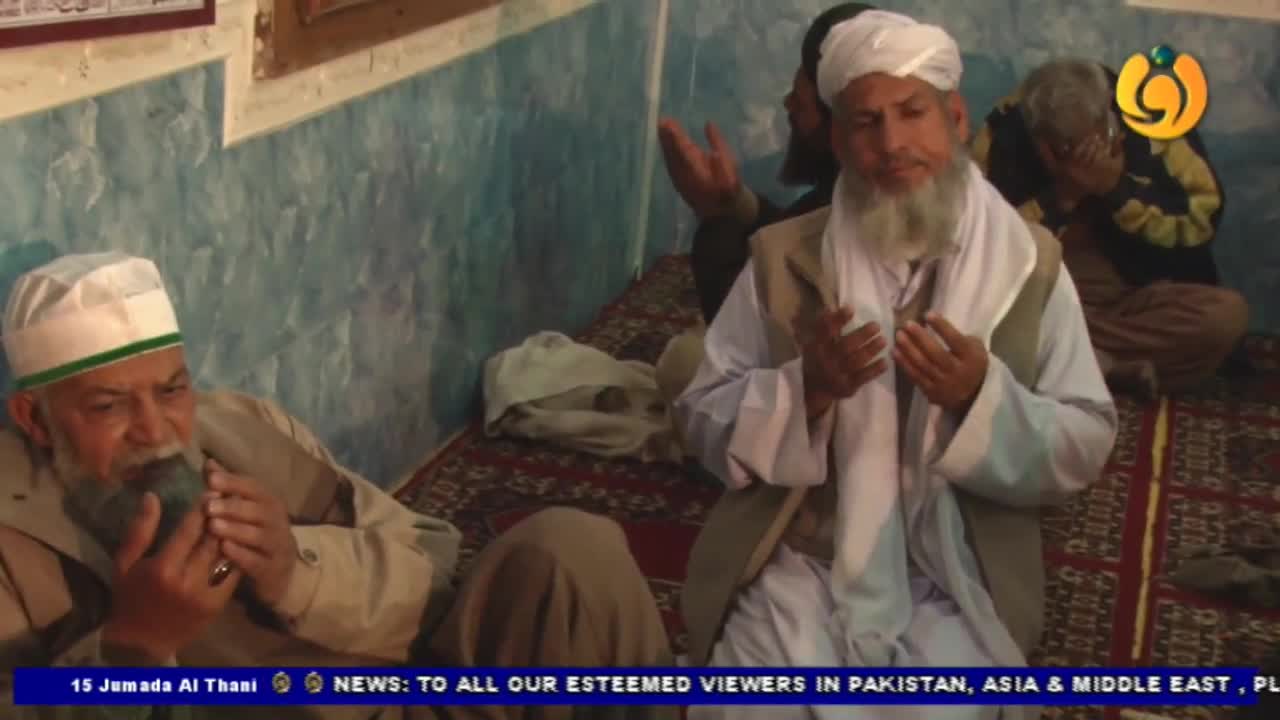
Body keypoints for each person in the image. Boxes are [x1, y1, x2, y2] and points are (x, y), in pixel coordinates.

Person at [0, 252, 676, 720]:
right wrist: (132, 649)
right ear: (34, 418)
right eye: (110, 407)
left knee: (572, 551)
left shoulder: (242, 431)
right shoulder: (13, 539)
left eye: (172, 390)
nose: (156, 431)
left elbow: (434, 562)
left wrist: (298, 570)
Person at [674, 10, 1119, 720]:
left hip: (957, 568)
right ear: (840, 142)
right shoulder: (784, 258)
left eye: (913, 113)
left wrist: (981, 398)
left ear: (955, 116)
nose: (893, 144)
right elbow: (699, 416)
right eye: (866, 123)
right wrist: (805, 390)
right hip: (805, 562)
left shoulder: (1030, 267)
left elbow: (1086, 439)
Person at [971, 58, 1251, 396]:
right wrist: (1061, 198)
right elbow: (984, 240)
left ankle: (1078, 363)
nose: (1084, 158)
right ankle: (1104, 368)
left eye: (1094, 141)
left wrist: (1115, 190)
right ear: (1040, 142)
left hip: (1138, 291)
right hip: (1051, 289)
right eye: (1066, 151)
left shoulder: (1153, 117)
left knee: (1225, 317)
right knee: (983, 316)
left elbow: (1200, 223)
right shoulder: (1004, 132)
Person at [657, 2, 875, 323]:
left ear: (837, 123)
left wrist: (714, 216)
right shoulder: (845, 189)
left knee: (684, 364)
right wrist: (734, 201)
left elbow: (741, 322)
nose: (787, 104)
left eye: (800, 100)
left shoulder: (871, 199)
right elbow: (799, 233)